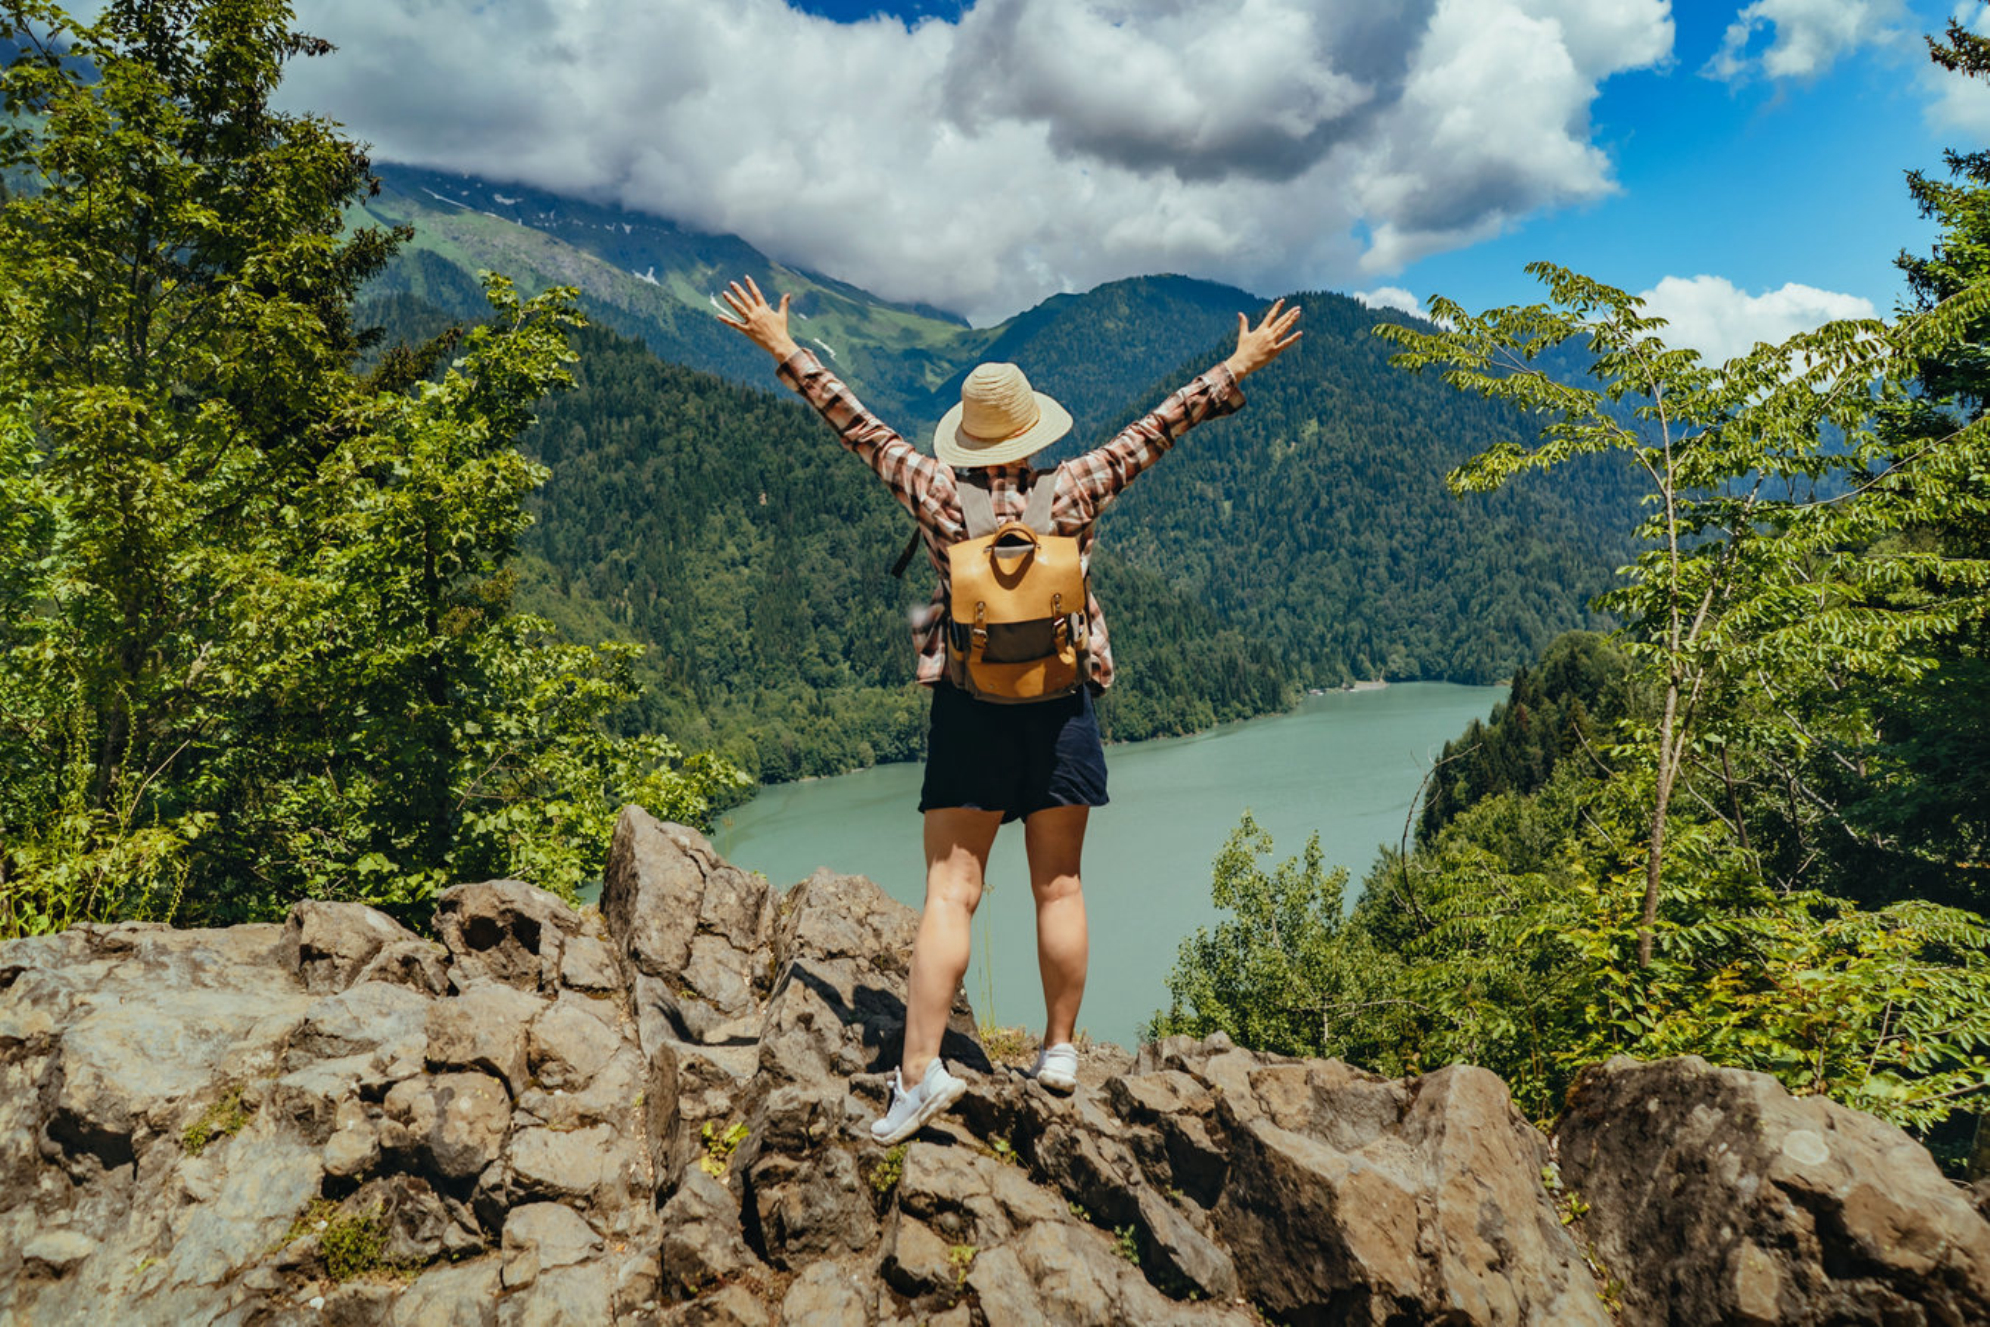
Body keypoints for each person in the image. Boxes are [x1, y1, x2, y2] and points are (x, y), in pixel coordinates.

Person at [717, 275, 1301, 1144]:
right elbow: (1160, 428)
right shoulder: (1076, 486)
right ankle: (1060, 1050)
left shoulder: (936, 489)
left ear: (970, 437)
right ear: (1034, 429)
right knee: (1059, 882)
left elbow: (858, 425)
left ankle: (918, 1075)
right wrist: (1238, 363)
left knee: (952, 890)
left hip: (970, 710)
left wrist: (781, 345)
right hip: (1062, 707)